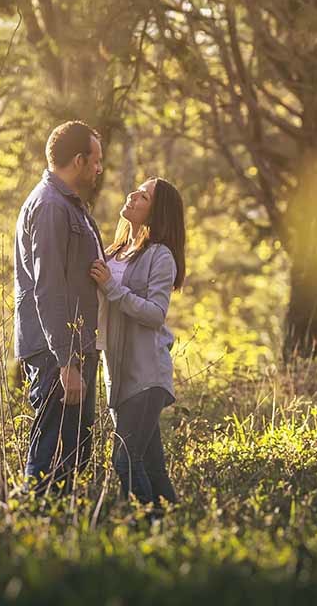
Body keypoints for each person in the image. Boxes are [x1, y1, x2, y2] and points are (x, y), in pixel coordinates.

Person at [14, 121, 106, 495]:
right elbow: (48, 288)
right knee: (51, 461)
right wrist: (67, 361)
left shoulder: (69, 204)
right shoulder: (51, 207)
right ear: (79, 160)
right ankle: (31, 534)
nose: (99, 169)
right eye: (96, 161)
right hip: (58, 355)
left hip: (73, 350)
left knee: (73, 461)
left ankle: (62, 540)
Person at [89, 177, 186, 510]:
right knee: (153, 469)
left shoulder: (161, 256)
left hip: (146, 376)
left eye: (143, 196)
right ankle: (177, 534)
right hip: (116, 373)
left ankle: (151, 525)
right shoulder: (114, 252)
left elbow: (156, 314)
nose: (133, 195)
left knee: (124, 461)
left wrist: (112, 289)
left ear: (156, 213)